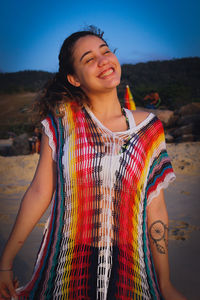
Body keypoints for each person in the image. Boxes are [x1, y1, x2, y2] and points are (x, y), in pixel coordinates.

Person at [0, 27, 187, 300]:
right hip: (69, 264)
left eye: (106, 51)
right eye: (88, 59)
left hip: (131, 265)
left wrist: (165, 282)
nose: (102, 61)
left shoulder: (149, 128)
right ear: (74, 78)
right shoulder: (61, 125)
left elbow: (155, 205)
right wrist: (6, 262)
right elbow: (39, 192)